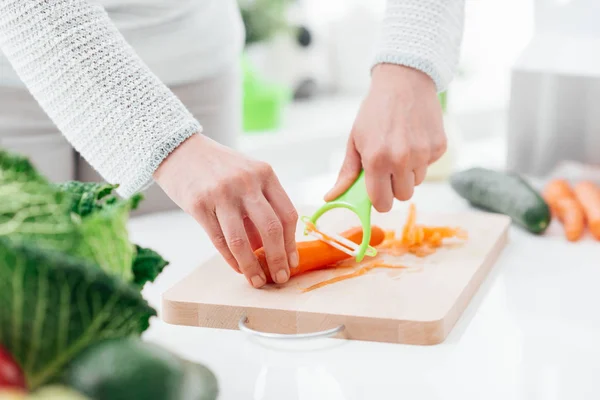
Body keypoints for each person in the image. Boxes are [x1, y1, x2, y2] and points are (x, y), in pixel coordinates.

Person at [0, 0, 465, 288]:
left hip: (191, 63)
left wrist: (410, 65)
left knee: (181, 280)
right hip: (12, 78)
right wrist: (169, 146)